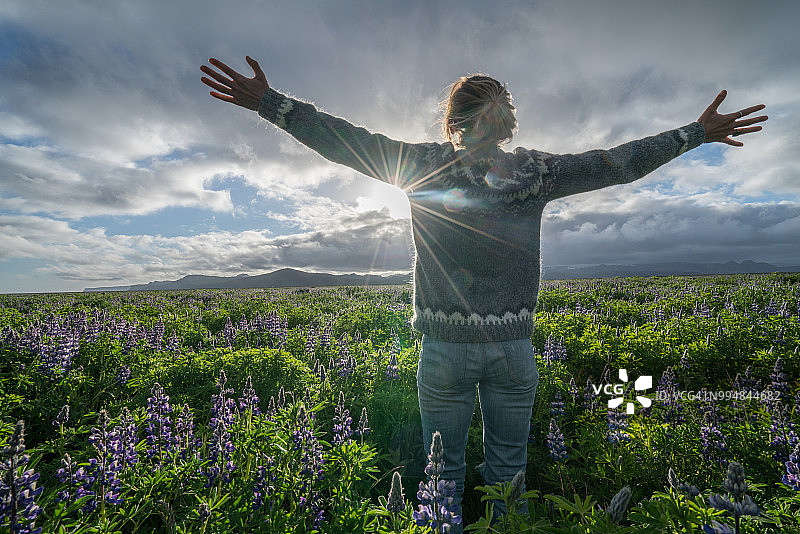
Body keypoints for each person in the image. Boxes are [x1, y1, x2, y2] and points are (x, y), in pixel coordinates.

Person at [201, 56, 767, 530]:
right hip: (513, 349)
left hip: (444, 349)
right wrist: (693, 133)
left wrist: (270, 104)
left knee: (441, 476)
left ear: (454, 120)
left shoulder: (424, 166)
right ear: (507, 121)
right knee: (509, 476)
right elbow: (616, 164)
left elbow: (344, 141)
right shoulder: (537, 173)